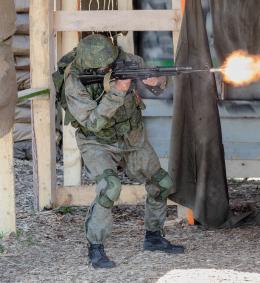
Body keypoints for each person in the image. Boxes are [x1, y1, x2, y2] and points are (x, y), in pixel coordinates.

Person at [61, 34, 184, 269]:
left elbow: (160, 83)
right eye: (103, 66)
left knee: (162, 183)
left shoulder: (127, 61)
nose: (109, 67)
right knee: (110, 187)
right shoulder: (74, 80)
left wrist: (156, 81)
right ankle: (95, 248)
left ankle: (154, 237)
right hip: (96, 141)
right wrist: (118, 90)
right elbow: (93, 122)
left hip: (131, 137)